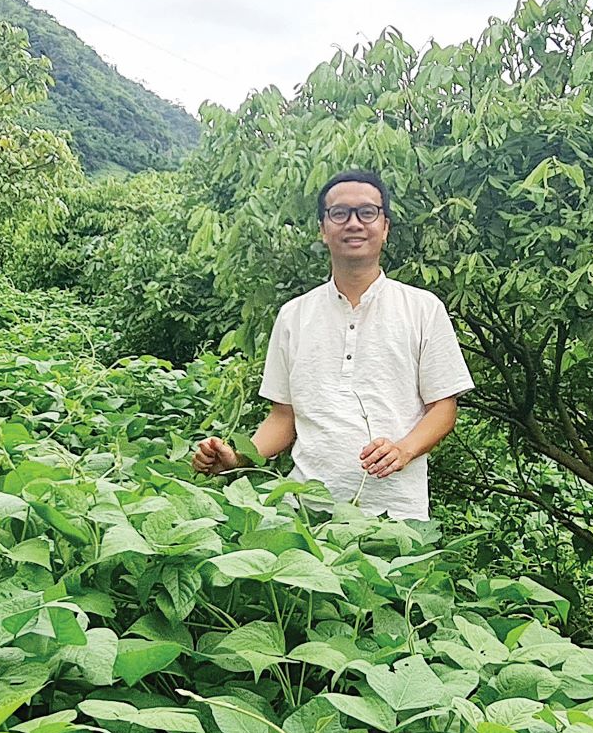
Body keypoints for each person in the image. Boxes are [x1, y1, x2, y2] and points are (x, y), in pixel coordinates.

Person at [191, 170, 474, 521]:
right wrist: (238, 459)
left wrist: (403, 450)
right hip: (305, 516)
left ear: (384, 227)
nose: (353, 223)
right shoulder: (293, 315)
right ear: (324, 230)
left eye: (367, 213)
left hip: (397, 518)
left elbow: (444, 409)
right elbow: (283, 417)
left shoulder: (423, 308)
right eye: (339, 214)